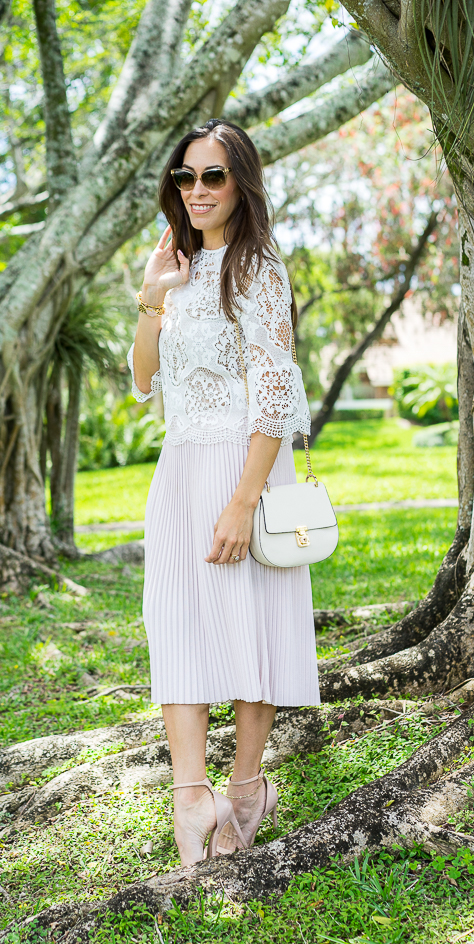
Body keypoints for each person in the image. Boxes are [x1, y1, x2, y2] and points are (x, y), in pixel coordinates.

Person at [128, 118, 319, 866]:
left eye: (212, 175)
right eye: (185, 176)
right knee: (174, 621)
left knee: (250, 623)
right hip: (179, 467)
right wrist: (152, 297)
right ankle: (189, 796)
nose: (197, 190)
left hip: (244, 467)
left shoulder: (258, 267)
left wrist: (243, 500)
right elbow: (145, 381)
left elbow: (274, 393)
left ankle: (246, 788)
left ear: (241, 181)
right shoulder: (173, 266)